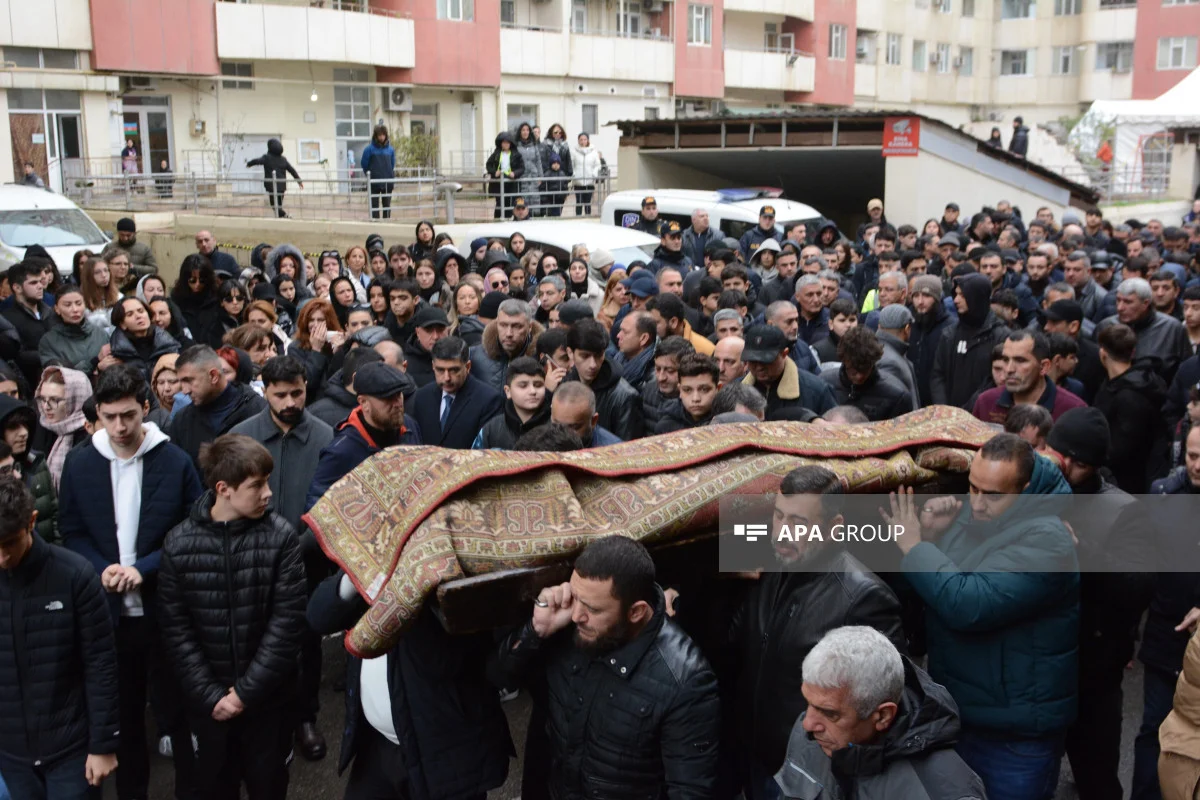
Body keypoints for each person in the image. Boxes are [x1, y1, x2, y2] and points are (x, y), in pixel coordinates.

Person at [891, 434, 1078, 800]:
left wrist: (916, 546)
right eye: (972, 487)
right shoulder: (971, 517)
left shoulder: (1048, 540)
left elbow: (967, 604)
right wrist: (931, 535)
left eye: (992, 494)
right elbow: (931, 592)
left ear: (1025, 490)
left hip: (1015, 737)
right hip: (960, 718)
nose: (976, 502)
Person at [58, 364, 202, 800]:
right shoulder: (82, 464)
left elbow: (191, 527)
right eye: (109, 417)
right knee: (124, 720)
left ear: (145, 409)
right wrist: (102, 567)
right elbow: (73, 530)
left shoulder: (174, 460)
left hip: (164, 612)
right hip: (109, 617)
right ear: (97, 415)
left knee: (178, 715)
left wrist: (146, 567)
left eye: (128, 416)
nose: (119, 427)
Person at [488, 535, 720, 799]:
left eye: (593, 609)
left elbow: (691, 790)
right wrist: (536, 630)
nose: (576, 616)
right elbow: (498, 678)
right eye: (577, 599)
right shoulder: (569, 629)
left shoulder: (684, 679)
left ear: (636, 612)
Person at [727, 465, 907, 799]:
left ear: (834, 528)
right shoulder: (773, 567)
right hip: (755, 760)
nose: (782, 532)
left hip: (809, 777)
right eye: (779, 517)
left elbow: (884, 705)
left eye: (798, 523)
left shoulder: (864, 599)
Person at [158, 434, 307, 800]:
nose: (268, 493)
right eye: (256, 485)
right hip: (208, 711)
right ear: (223, 489)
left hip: (267, 705)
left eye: (267, 482)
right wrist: (212, 696)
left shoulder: (281, 538)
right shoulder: (178, 546)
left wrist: (244, 694)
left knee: (269, 787)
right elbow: (176, 633)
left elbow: (287, 624)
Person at [1041, 407, 1156, 800]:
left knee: (1096, 776)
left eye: (1077, 463)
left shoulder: (1122, 510)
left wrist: (1080, 550)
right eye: (1060, 456)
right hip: (1041, 661)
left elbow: (1137, 587)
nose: (1065, 468)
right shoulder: (1032, 490)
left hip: (1092, 669)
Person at [228, 356, 333, 762]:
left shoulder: (325, 437)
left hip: (307, 561)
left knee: (307, 642)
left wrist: (300, 547)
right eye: (280, 394)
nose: (290, 401)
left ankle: (305, 718)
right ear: (263, 390)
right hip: (252, 561)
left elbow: (330, 505)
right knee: (256, 641)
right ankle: (266, 717)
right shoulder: (242, 437)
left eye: (297, 393)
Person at [0, 475, 120, 799]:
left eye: (9, 543)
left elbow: (101, 665)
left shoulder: (74, 575)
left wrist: (103, 744)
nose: (2, 557)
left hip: (71, 751)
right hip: (10, 755)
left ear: (32, 522)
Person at [774, 626, 986, 800]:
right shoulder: (814, 734)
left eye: (830, 714)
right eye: (808, 703)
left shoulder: (943, 792)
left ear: (882, 716)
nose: (807, 725)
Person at [305, 362, 422, 510]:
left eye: (399, 395)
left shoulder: (409, 427)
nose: (397, 403)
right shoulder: (342, 450)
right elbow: (317, 506)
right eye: (388, 398)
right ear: (363, 402)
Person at [1094, 322, 1169, 492]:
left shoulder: (1130, 396)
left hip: (1128, 482)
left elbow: (1121, 450)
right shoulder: (1120, 384)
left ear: (1103, 353)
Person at [167, 345, 268, 470]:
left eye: (189, 380)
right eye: (181, 382)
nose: (184, 390)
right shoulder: (182, 420)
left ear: (214, 376)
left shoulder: (257, 410)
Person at [970, 331, 1086, 425]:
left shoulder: (1072, 410)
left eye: (1020, 360)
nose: (1009, 369)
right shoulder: (986, 402)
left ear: (1044, 367)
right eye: (1006, 360)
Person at [931, 273, 1010, 408]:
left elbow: (996, 380)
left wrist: (968, 410)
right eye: (955, 294)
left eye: (962, 295)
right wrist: (944, 409)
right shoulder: (949, 334)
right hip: (949, 417)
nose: (955, 300)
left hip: (984, 413)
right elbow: (938, 375)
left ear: (977, 298)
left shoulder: (1001, 336)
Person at [409, 336, 503, 450]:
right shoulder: (422, 397)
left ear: (467, 367)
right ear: (433, 366)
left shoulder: (489, 400)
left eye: (454, 370)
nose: (447, 377)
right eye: (440, 370)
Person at [563, 319, 643, 440]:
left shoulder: (625, 397)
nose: (593, 364)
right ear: (570, 353)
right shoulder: (565, 384)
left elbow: (628, 447)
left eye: (598, 356)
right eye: (585, 356)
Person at [1098, 277, 1191, 382]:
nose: (1120, 307)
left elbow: (1187, 370)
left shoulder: (1172, 329)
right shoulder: (1106, 326)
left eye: (1128, 302)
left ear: (1145, 303)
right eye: (1118, 300)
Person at [740, 325, 837, 420]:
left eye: (766, 361)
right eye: (752, 361)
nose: (759, 367)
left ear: (784, 353)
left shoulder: (816, 390)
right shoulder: (736, 391)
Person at [823, 327, 914, 421]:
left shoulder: (897, 396)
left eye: (865, 369)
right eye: (854, 371)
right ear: (844, 361)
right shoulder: (824, 385)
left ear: (874, 362)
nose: (859, 376)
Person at [472, 357, 551, 449]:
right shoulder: (492, 429)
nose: (533, 391)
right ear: (508, 391)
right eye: (523, 386)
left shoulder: (556, 426)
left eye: (538, 385)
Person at [470, 298, 543, 392]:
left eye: (517, 326)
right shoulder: (474, 356)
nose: (509, 333)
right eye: (503, 325)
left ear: (529, 327)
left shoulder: (542, 357)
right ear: (496, 324)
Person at [2, 262, 56, 385]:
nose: (40, 286)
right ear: (17, 288)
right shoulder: (8, 320)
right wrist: (48, 357)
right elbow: (16, 356)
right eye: (33, 283)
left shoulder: (52, 313)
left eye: (40, 282)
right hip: (29, 383)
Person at [38, 287, 108, 371]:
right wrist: (94, 363)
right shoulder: (49, 341)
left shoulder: (101, 334)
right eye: (67, 305)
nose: (75, 309)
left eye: (79, 304)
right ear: (57, 309)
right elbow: (60, 376)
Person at [655, 353, 719, 432]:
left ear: (718, 388)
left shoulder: (728, 423)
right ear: (680, 390)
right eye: (687, 390)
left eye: (704, 389)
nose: (695, 398)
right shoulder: (665, 426)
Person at [246, 138, 303, 219]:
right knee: (278, 205)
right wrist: (299, 181)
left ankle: (285, 216)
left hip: (272, 186)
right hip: (282, 186)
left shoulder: (267, 157)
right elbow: (292, 170)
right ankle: (281, 219)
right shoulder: (283, 159)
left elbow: (257, 161)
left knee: (275, 205)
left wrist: (249, 164)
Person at [360, 124, 395, 220]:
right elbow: (364, 164)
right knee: (374, 205)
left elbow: (392, 164)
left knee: (387, 205)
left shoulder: (390, 150)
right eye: (379, 135)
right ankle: (375, 223)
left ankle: (386, 222)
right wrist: (370, 174)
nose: (382, 137)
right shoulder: (369, 149)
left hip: (387, 181)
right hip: (374, 181)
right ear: (375, 136)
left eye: (383, 135)